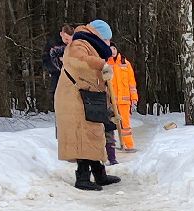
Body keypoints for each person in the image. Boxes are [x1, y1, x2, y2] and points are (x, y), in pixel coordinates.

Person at [53, 21, 120, 190]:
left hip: (86, 97)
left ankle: (99, 173)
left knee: (93, 132)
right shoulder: (79, 44)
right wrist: (101, 65)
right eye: (106, 39)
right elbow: (79, 61)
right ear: (98, 35)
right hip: (73, 98)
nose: (107, 43)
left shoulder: (90, 44)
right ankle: (82, 177)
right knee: (81, 136)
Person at [109, 49, 140, 152]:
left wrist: (134, 98)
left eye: (114, 49)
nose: (112, 51)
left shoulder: (125, 64)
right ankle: (109, 147)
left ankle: (129, 145)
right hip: (110, 101)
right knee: (109, 124)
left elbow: (132, 83)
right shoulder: (106, 64)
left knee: (125, 124)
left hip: (124, 100)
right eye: (110, 49)